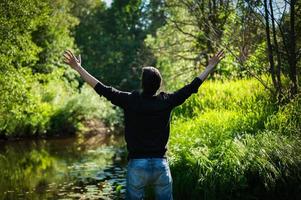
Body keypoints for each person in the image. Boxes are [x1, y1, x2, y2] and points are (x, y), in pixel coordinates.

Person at [63, 49, 224, 200]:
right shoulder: (166, 101)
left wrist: (78, 68)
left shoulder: (130, 100)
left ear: (142, 84)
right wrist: (210, 66)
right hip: (161, 164)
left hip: (137, 164)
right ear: (159, 84)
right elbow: (192, 87)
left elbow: (101, 88)